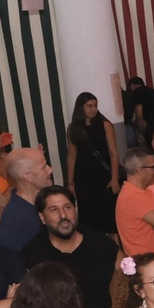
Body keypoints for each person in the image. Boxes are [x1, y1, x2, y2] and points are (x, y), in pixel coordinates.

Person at [22, 187, 119, 308]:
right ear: (42, 218)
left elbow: (127, 273)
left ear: (76, 209)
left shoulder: (101, 244)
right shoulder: (33, 253)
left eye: (67, 207)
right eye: (54, 210)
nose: (63, 215)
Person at [65, 92, 121, 233]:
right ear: (81, 107)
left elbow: (114, 153)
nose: (93, 109)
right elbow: (71, 156)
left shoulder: (105, 125)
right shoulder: (73, 129)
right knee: (88, 217)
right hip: (83, 178)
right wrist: (70, 183)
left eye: (95, 105)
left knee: (110, 217)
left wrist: (114, 178)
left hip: (104, 176)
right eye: (89, 106)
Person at [115, 149, 154, 258]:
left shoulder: (146, 192)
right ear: (139, 170)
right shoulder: (131, 197)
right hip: (148, 264)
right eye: (153, 167)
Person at [0, 147, 54, 251]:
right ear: (28, 177)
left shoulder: (44, 202)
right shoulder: (14, 222)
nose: (50, 170)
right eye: (43, 167)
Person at [123, 77, 154, 148]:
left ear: (132, 85)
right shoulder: (150, 91)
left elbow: (140, 118)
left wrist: (140, 135)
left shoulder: (137, 92)